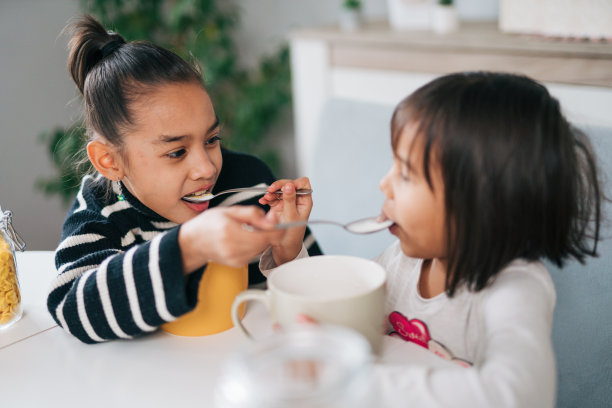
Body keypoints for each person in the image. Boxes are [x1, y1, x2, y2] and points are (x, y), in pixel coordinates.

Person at [261, 72, 605, 406]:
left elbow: (521, 395)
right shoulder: (402, 260)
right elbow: (342, 312)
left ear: (479, 203)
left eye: (406, 173)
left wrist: (356, 382)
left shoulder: (514, 288)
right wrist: (291, 251)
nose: (384, 183)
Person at [47, 15, 321, 344]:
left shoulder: (250, 184)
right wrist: (189, 246)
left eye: (211, 139)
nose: (206, 168)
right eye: (177, 152)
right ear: (110, 161)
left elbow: (320, 302)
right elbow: (74, 309)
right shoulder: (102, 209)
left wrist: (287, 253)